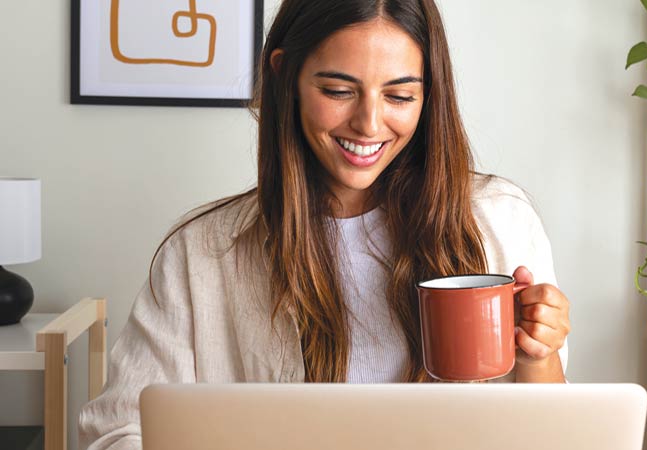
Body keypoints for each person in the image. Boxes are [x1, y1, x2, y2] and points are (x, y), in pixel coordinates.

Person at [79, 0, 571, 448]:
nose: (370, 124)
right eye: (338, 90)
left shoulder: (498, 219)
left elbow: (553, 437)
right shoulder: (204, 252)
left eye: (399, 97)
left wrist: (536, 355)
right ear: (285, 75)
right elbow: (117, 433)